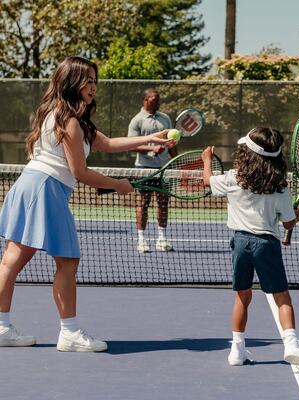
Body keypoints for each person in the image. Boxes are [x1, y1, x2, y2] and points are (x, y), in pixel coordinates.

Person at [0, 56, 175, 352]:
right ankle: (69, 332)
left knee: (12, 261)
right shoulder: (69, 120)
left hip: (28, 184)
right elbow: (79, 172)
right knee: (67, 262)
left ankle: (1, 327)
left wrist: (149, 140)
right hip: (46, 189)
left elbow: (106, 143)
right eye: (87, 80)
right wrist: (118, 185)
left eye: (95, 81)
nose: (93, 87)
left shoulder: (55, 113)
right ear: (72, 82)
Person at [201, 127, 299, 370]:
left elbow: (207, 181)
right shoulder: (280, 186)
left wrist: (206, 161)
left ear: (247, 152)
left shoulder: (234, 177)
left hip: (240, 244)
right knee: (282, 297)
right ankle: (291, 344)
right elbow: (287, 222)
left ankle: (237, 350)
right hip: (266, 245)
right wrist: (295, 216)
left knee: (242, 297)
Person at [128, 89, 178, 253]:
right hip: (144, 169)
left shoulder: (165, 119)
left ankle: (162, 238)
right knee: (143, 203)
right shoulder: (137, 120)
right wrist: (151, 150)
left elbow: (171, 143)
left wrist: (176, 160)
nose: (158, 102)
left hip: (164, 169)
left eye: (159, 100)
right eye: (155, 99)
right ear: (145, 100)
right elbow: (132, 144)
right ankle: (142, 240)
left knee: (163, 203)